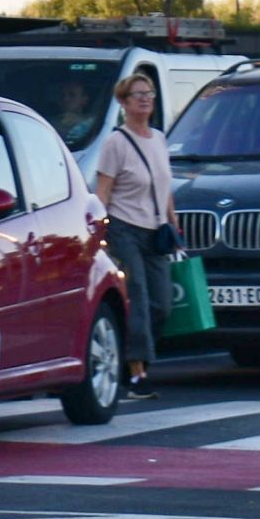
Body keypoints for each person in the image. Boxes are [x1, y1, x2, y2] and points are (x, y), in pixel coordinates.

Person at [90, 69, 178, 387]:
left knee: (163, 303)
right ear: (123, 103)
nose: (144, 100)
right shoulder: (116, 143)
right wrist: (99, 229)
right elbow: (104, 190)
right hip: (124, 228)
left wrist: (172, 218)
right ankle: (136, 370)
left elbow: (163, 183)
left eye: (149, 94)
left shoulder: (159, 139)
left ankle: (134, 353)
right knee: (138, 296)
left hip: (156, 231)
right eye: (137, 95)